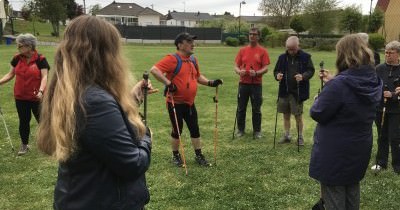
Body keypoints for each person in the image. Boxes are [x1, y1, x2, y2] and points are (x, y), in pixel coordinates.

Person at [36, 16, 152, 209]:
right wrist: (147, 136)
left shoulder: (74, 92)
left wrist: (131, 100)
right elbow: (133, 164)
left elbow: (99, 132)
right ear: (104, 54)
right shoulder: (94, 101)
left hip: (82, 198)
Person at [309, 34, 382, 209]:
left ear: (343, 54)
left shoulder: (339, 85)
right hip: (359, 146)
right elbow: (351, 95)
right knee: (352, 188)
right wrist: (333, 83)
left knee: (334, 195)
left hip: (335, 151)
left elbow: (318, 112)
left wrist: (320, 97)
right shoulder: (374, 80)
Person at [150, 32, 223, 167]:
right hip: (174, 103)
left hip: (189, 103)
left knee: (195, 129)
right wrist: (168, 83)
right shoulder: (172, 59)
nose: (192, 44)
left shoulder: (193, 60)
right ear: (180, 45)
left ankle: (199, 155)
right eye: (189, 42)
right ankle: (176, 155)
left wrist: (211, 83)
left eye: (192, 42)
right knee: (177, 130)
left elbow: (198, 77)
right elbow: (154, 70)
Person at [0, 33, 49, 155]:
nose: (18, 48)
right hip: (20, 97)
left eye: (20, 45)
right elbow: (10, 74)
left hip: (37, 97)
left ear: (29, 46)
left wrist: (41, 91)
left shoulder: (40, 59)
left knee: (42, 120)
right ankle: (24, 145)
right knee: (24, 121)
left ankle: (49, 143)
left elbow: (44, 77)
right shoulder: (17, 58)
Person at [273, 36, 315, 146]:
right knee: (285, 115)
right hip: (284, 91)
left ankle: (300, 137)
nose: (290, 51)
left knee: (298, 116)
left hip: (297, 93)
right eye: (288, 49)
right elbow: (276, 70)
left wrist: (303, 76)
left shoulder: (306, 57)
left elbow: (311, 70)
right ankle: (287, 135)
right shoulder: (282, 57)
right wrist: (277, 75)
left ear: (298, 46)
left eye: (293, 49)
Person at [234, 27, 270, 139]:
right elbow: (235, 66)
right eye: (250, 34)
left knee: (256, 109)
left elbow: (266, 68)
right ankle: (240, 130)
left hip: (256, 84)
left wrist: (257, 73)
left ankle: (257, 131)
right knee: (241, 108)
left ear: (259, 36)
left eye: (254, 34)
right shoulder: (242, 50)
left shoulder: (263, 51)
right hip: (243, 83)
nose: (252, 36)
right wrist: (240, 71)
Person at [371, 40, 400, 174]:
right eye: (386, 52)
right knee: (382, 135)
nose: (387, 55)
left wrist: (393, 95)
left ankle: (397, 164)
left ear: (398, 54)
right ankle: (381, 162)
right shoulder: (379, 69)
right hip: (380, 108)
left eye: (391, 53)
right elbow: (373, 85)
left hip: (396, 110)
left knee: (395, 137)